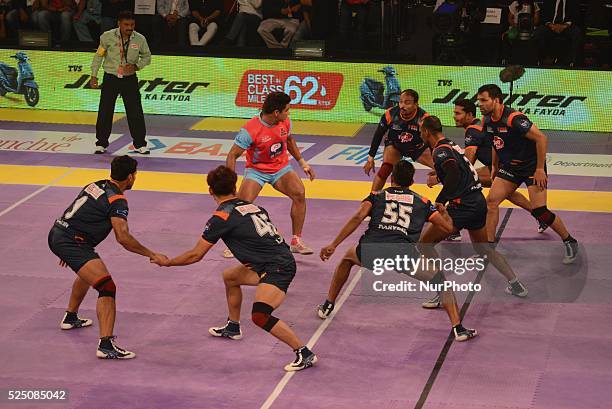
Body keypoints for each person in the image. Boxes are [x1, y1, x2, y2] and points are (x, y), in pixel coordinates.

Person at [153, 166, 317, 371]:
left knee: (260, 315)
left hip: (277, 267)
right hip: (271, 261)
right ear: (235, 186)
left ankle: (303, 352)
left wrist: (168, 262)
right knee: (230, 277)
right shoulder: (253, 206)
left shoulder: (221, 218)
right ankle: (233, 326)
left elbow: (196, 255)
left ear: (210, 191)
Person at [317, 160, 477, 342]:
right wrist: (444, 212)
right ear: (412, 181)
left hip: (372, 250)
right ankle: (458, 328)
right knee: (441, 282)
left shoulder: (376, 196)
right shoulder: (423, 202)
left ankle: (328, 304)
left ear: (392, 178)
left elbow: (358, 216)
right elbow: (448, 229)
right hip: (403, 255)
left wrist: (334, 244)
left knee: (347, 259)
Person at [48, 156, 167, 359]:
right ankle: (106, 345)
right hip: (71, 241)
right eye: (135, 174)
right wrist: (151, 254)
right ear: (130, 177)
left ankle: (70, 317)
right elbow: (123, 238)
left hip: (60, 232)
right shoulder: (117, 200)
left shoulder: (95, 184)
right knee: (106, 286)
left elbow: (75, 211)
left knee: (89, 272)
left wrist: (65, 246)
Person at [419, 115, 528, 307]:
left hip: (462, 207)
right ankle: (516, 284)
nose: (419, 132)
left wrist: (441, 199)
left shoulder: (440, 152)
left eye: (420, 129)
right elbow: (457, 171)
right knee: (483, 248)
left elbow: (452, 172)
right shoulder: (449, 144)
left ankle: (441, 292)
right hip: (477, 202)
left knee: (425, 244)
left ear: (426, 131)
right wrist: (438, 177)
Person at [477, 84, 578, 264]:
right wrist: (494, 166)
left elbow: (541, 138)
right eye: (478, 100)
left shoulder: (514, 119)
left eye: (484, 100)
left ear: (496, 100)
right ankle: (489, 248)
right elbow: (495, 142)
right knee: (491, 202)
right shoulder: (486, 121)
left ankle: (569, 240)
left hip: (532, 167)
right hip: (510, 167)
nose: (480, 104)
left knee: (540, 211)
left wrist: (540, 169)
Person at [427, 99, 547, 234]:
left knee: (461, 182)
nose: (454, 116)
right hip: (500, 166)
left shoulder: (472, 131)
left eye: (458, 113)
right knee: (508, 194)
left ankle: (455, 227)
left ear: (470, 115)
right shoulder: (478, 126)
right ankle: (540, 217)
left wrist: (439, 178)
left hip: (504, 167)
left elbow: (467, 163)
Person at [225, 91, 315, 257]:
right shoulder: (250, 130)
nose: (289, 113)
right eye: (287, 110)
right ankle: (233, 244)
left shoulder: (285, 122)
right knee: (240, 206)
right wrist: (230, 184)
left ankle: (296, 241)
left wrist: (302, 163)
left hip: (281, 168)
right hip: (256, 171)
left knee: (299, 194)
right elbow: (232, 155)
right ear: (276, 113)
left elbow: (289, 141)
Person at [91, 10, 151, 155]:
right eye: (126, 24)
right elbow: (98, 56)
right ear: (119, 24)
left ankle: (140, 144)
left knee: (135, 112)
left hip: (129, 79)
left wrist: (137, 66)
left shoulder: (140, 39)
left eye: (132, 24)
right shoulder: (107, 37)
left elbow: (147, 57)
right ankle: (101, 143)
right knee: (105, 110)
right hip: (110, 77)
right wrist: (94, 75)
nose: (129, 28)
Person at [363, 89, 434, 192]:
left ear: (416, 104)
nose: (402, 106)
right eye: (400, 102)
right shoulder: (390, 114)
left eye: (407, 102)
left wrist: (436, 169)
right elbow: (378, 134)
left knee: (441, 169)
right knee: (385, 169)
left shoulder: (423, 118)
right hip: (396, 146)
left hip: (417, 147)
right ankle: (372, 199)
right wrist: (370, 157)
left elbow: (431, 140)